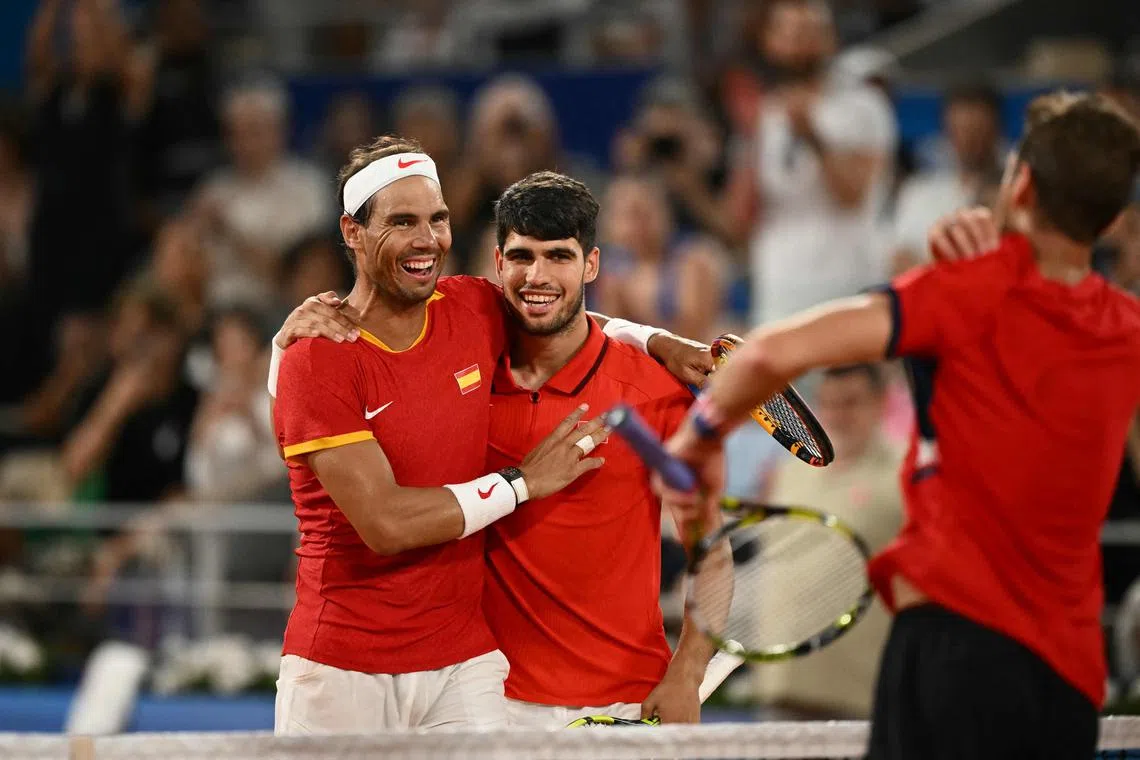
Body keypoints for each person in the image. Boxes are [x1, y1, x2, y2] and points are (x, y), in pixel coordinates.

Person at [659, 91, 1140, 759]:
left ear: (1021, 184)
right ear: (1114, 220)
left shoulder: (962, 293)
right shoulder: (1128, 333)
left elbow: (768, 354)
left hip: (953, 653)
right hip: (1068, 684)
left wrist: (697, 438)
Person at [270, 135, 712, 734]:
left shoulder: (471, 308)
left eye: (437, 219)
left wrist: (657, 340)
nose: (427, 239)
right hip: (343, 663)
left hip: (463, 664)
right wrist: (522, 483)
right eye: (402, 221)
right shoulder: (316, 356)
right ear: (353, 232)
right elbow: (387, 524)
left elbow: (557, 310)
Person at [482, 172, 721, 727]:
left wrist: (687, 672)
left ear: (591, 264)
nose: (537, 276)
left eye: (558, 257)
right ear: (497, 263)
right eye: (521, 256)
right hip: (480, 700)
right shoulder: (465, 370)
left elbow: (711, 550)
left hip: (623, 701)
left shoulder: (656, 394)